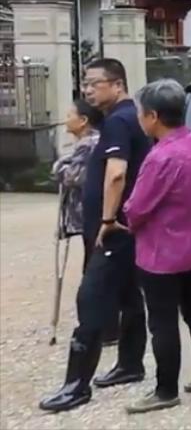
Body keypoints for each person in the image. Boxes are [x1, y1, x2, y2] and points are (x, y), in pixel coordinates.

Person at [39, 58, 152, 413]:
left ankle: (76, 385)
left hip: (113, 230)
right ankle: (131, 365)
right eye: (84, 84)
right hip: (125, 228)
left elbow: (116, 174)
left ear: (117, 85)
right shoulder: (127, 117)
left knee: (91, 300)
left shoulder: (119, 121)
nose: (87, 90)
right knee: (129, 296)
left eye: (93, 83)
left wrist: (106, 219)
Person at [122, 79, 191, 414]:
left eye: (140, 113)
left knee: (163, 320)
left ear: (153, 116)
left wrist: (125, 220)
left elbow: (137, 208)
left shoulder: (160, 156)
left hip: (164, 252)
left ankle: (166, 390)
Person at [54, 98, 103, 264]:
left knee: (92, 261)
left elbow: (73, 176)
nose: (66, 120)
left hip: (89, 212)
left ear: (83, 121)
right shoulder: (93, 141)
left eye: (69, 115)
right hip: (94, 211)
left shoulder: (88, 144)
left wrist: (58, 166)